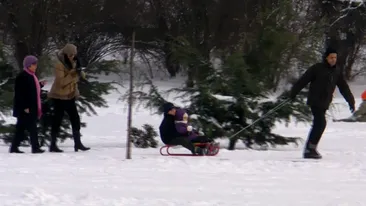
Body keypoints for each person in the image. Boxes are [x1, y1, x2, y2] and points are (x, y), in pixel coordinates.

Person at [290, 48, 355, 159]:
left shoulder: (336, 71)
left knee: (319, 124)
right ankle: (310, 149)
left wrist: (351, 101)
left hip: (325, 102)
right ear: (326, 58)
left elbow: (344, 88)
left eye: (335, 57)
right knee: (320, 123)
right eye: (331, 57)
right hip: (315, 100)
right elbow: (303, 80)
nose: (333, 60)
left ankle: (310, 148)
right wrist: (293, 92)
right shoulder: (317, 68)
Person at [47, 43, 90, 153]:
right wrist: (73, 74)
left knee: (75, 119)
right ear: (65, 54)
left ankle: (78, 143)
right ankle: (53, 144)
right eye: (70, 55)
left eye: (73, 55)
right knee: (57, 120)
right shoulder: (59, 65)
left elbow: (74, 82)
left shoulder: (75, 63)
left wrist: (76, 91)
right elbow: (61, 82)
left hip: (70, 96)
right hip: (59, 97)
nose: (72, 57)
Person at [10, 55, 46, 153]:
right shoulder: (22, 76)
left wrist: (40, 85)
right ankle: (35, 147)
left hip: (30, 107)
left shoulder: (31, 76)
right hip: (25, 108)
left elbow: (32, 89)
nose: (36, 66)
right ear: (29, 65)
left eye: (36, 63)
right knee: (31, 127)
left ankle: (14, 147)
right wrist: (25, 107)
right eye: (34, 64)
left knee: (21, 128)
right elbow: (20, 93)